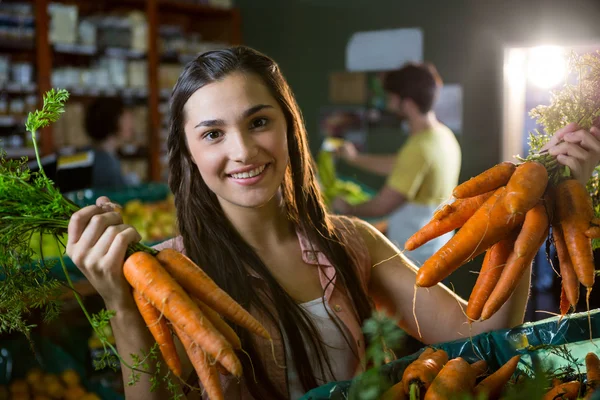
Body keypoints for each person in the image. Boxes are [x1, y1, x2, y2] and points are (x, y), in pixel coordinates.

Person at [65, 47, 600, 400]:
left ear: (288, 127)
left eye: (258, 122)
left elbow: (479, 334)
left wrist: (533, 205)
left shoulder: (350, 241)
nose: (243, 149)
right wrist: (119, 302)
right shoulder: (172, 271)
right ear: (187, 153)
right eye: (212, 133)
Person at [332, 63, 462, 266]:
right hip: (437, 248)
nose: (389, 102)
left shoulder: (419, 148)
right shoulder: (442, 136)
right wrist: (355, 158)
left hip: (414, 257)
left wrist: (345, 208)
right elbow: (403, 165)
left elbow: (383, 204)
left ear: (406, 103)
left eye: (392, 97)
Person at [57, 97, 135, 191]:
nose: (131, 124)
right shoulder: (107, 164)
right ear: (114, 121)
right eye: (126, 118)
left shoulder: (84, 153)